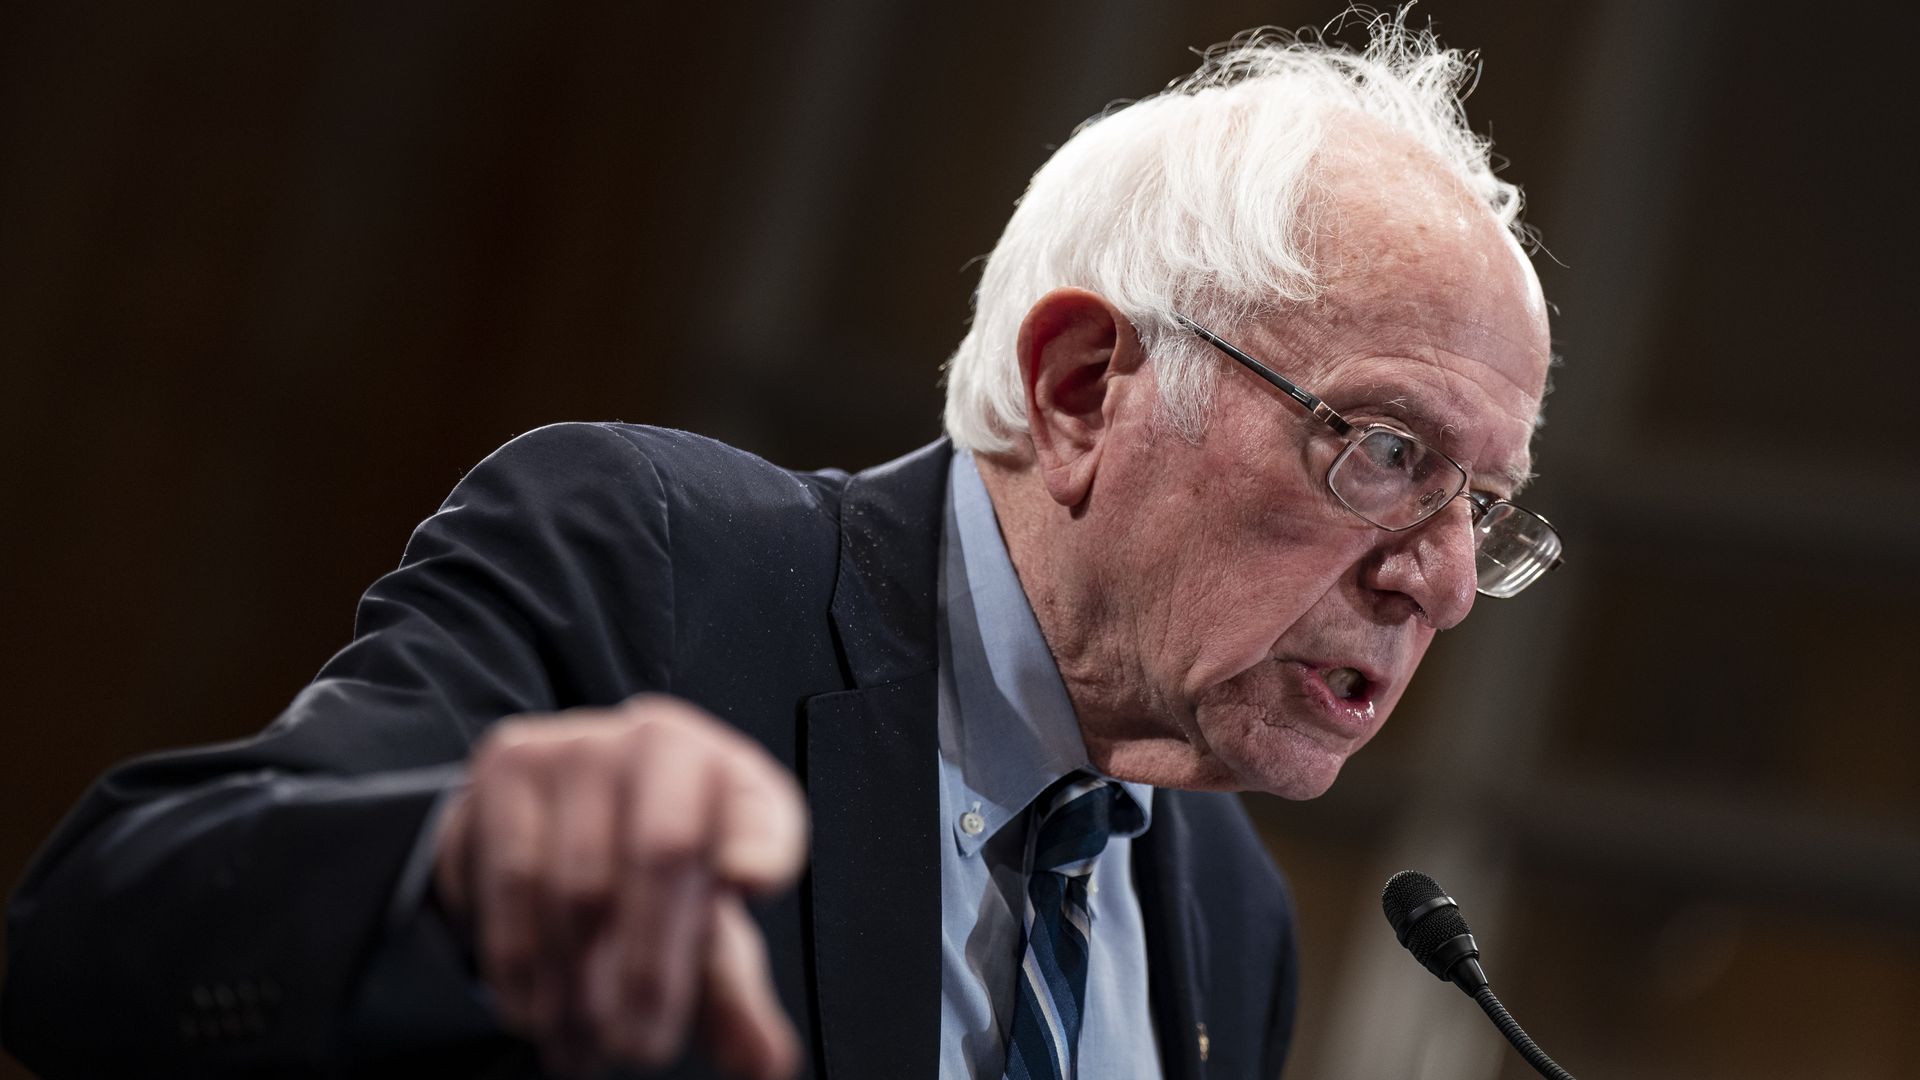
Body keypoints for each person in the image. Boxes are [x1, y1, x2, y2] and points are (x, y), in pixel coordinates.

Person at [1, 15, 1564, 1080]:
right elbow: (101, 943)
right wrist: (447, 869)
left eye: (1481, 510)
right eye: (1388, 453)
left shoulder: (1229, 920)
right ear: (1085, 387)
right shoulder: (666, 572)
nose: (1434, 577)